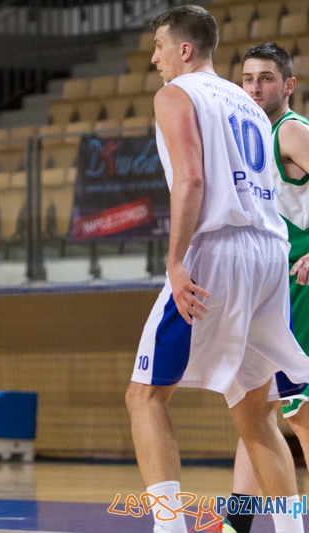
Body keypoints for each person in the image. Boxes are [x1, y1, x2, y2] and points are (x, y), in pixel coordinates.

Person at [124, 6, 309, 533]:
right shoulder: (246, 103)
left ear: (185, 49)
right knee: (254, 412)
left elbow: (192, 179)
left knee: (144, 395)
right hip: (270, 252)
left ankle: (168, 527)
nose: (154, 55)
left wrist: (176, 260)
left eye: (160, 44)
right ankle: (292, 530)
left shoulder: (175, 94)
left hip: (219, 250)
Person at [221, 42, 309, 533]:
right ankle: (238, 523)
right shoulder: (251, 137)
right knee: (255, 409)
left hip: (302, 281)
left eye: (267, 79)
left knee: (301, 411)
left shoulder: (290, 131)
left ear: (288, 85)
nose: (255, 87)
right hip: (274, 282)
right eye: (248, 78)